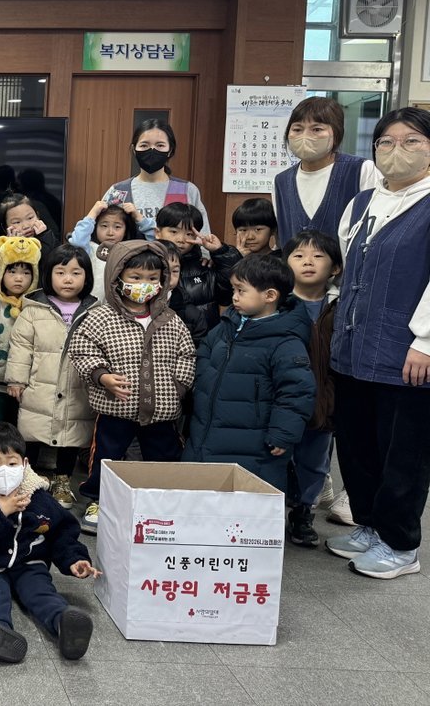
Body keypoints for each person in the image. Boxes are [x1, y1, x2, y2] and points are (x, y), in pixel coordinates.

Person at [328, 108, 430, 580]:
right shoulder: (363, 202)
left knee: (403, 452)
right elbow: (348, 267)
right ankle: (369, 524)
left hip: (407, 351)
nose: (396, 151)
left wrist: (425, 340)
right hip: (354, 344)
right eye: (386, 142)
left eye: (412, 141)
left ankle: (401, 544)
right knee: (357, 443)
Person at [67, 241, 196, 534]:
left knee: (164, 457)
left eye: (152, 278)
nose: (143, 285)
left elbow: (187, 354)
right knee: (106, 456)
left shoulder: (169, 318)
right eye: (135, 277)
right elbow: (82, 350)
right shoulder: (101, 317)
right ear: (117, 277)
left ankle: (162, 503)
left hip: (161, 410)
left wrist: (178, 386)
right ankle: (98, 500)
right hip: (116, 407)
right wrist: (102, 376)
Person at [0, 422, 98, 663]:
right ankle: (0, 632)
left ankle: (64, 624)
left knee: (39, 591)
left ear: (25, 464)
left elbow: (61, 529)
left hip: (29, 562)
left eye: (12, 463)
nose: (4, 470)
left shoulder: (36, 493)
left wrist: (74, 558)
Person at [183, 255, 315, 490]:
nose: (234, 296)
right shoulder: (228, 325)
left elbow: (296, 391)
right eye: (234, 289)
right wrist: (203, 382)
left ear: (270, 296)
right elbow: (205, 352)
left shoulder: (285, 341)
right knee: (200, 491)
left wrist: (283, 433)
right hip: (206, 432)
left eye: (241, 291)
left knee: (244, 499)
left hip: (254, 444)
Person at [5, 244, 99, 508]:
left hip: (77, 387)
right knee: (32, 432)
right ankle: (30, 478)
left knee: (71, 436)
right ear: (48, 275)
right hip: (39, 387)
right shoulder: (34, 309)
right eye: (61, 272)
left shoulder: (94, 311)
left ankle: (62, 481)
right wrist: (16, 379)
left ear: (87, 277)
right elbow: (21, 346)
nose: (68, 279)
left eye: (76, 273)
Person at [283, 231, 345, 545]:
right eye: (298, 256)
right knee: (277, 456)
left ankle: (303, 511)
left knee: (314, 461)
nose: (308, 261)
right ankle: (273, 510)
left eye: (318, 256)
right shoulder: (278, 304)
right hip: (282, 401)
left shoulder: (342, 306)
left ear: (335, 267)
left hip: (324, 399)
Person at [272, 96, 380, 243]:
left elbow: (376, 227)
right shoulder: (281, 182)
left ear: (336, 133)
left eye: (316, 129)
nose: (305, 136)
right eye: (297, 129)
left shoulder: (361, 170)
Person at [154, 203, 239, 346]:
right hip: (159, 345)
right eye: (174, 232)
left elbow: (228, 294)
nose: (181, 239)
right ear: (158, 232)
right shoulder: (146, 265)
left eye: (189, 234)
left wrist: (220, 252)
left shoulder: (204, 266)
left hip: (203, 345)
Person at [0, 236, 42, 426]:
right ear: (1, 271)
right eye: (12, 271)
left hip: (26, 385)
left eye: (26, 273)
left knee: (18, 430)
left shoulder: (37, 304)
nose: (19, 278)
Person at [103, 118, 210, 228]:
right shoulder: (118, 192)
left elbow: (202, 235)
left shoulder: (187, 190)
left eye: (160, 145)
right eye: (144, 145)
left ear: (170, 150)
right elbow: (103, 231)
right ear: (134, 149)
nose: (152, 150)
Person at [68, 200, 149, 302]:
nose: (110, 232)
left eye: (117, 227)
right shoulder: (90, 248)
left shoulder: (131, 251)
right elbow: (77, 242)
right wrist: (93, 213)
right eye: (104, 226)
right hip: (89, 304)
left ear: (125, 230)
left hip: (120, 306)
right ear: (95, 227)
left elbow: (157, 243)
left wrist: (139, 217)